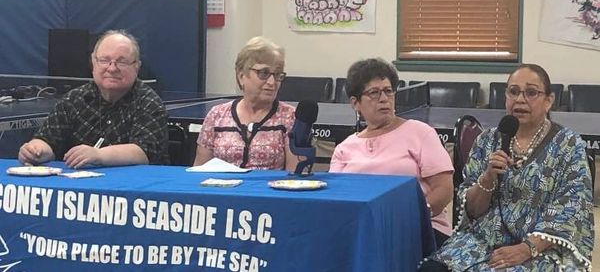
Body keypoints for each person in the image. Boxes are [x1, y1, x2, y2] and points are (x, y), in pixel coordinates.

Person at [420, 64, 594, 271]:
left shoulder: (568, 144)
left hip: (542, 246)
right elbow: (473, 210)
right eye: (513, 92)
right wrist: (487, 178)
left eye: (531, 92)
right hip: (482, 240)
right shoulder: (487, 140)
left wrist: (527, 248)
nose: (520, 99)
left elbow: (571, 208)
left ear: (549, 101)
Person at [329, 58, 454, 247]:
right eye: (374, 93)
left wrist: (412, 216)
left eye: (388, 91)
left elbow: (444, 189)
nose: (384, 98)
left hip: (420, 228)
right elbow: (337, 199)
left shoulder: (420, 132)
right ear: (355, 103)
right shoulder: (344, 148)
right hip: (362, 231)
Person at [18, 29, 169, 168]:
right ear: (93, 62)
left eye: (121, 62)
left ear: (137, 66)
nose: (112, 68)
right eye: (104, 60)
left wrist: (98, 155)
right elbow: (47, 139)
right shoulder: (73, 100)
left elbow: (143, 152)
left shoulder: (149, 103)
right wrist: (36, 150)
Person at [193, 36, 298, 171]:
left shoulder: (290, 117)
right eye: (264, 73)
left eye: (278, 75)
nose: (272, 82)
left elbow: (293, 178)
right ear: (242, 75)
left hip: (267, 191)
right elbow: (199, 170)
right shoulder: (216, 115)